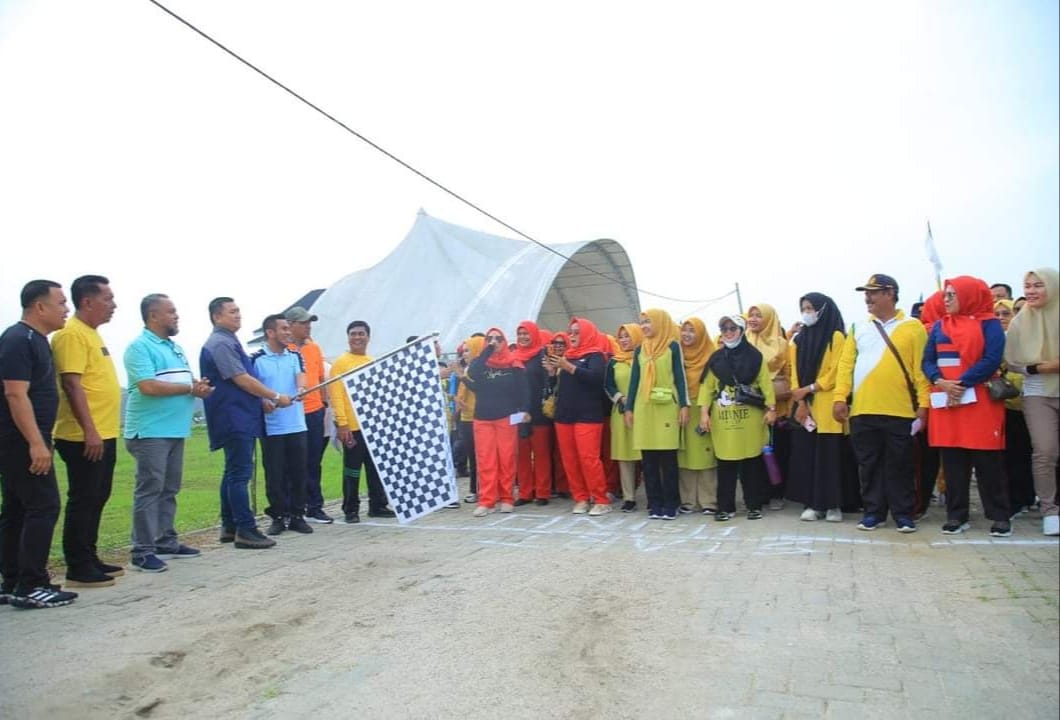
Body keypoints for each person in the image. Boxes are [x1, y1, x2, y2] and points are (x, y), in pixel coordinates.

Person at [0, 280, 78, 609]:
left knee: (18, 509)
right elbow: (15, 394)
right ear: (40, 307)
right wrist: (36, 443)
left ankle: (13, 579)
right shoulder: (19, 339)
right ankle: (31, 584)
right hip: (20, 440)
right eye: (61, 303)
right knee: (44, 506)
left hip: (23, 439)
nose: (66, 309)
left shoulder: (36, 341)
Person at [834, 274, 930, 533]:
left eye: (873, 293)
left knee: (900, 464)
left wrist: (924, 404)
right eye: (866, 293)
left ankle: (903, 514)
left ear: (890, 293)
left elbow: (920, 369)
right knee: (869, 465)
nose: (868, 298)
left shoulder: (913, 327)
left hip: (899, 410)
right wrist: (840, 397)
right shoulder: (858, 327)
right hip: (863, 409)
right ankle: (873, 513)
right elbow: (845, 366)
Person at [124, 294, 213, 573]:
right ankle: (142, 550)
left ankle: (165, 540)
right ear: (153, 316)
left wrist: (196, 386)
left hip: (175, 429)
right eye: (171, 312)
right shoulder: (139, 347)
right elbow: (148, 386)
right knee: (150, 488)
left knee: (169, 488)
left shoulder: (174, 348)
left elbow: (181, 381)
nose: (176, 316)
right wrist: (189, 389)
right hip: (150, 430)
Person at [200, 297, 292, 550]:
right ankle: (245, 528)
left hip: (240, 413)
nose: (238, 315)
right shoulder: (220, 343)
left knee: (232, 471)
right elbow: (240, 378)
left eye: (238, 310)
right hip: (233, 416)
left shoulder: (229, 341)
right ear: (216, 317)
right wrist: (272, 395)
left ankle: (230, 525)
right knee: (240, 473)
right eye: (232, 312)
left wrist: (259, 400)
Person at [49, 275, 123, 589]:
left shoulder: (92, 334)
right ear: (88, 301)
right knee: (84, 497)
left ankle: (90, 556)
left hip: (105, 431)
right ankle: (78, 565)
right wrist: (89, 430)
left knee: (99, 495)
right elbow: (72, 384)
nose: (114, 305)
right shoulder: (71, 334)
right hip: (82, 435)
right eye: (108, 299)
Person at [923, 277, 1010, 536]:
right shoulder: (939, 325)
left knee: (988, 462)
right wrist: (940, 381)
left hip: (979, 401)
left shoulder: (989, 323)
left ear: (969, 295)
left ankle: (999, 516)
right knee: (952, 462)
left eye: (952, 295)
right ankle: (956, 515)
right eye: (945, 295)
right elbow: (928, 360)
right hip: (947, 400)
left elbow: (992, 358)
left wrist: (961, 383)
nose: (946, 300)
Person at [698, 314, 776, 521]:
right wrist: (704, 413)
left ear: (742, 331)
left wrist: (772, 409)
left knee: (752, 463)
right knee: (726, 464)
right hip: (724, 420)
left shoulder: (754, 356)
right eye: (724, 329)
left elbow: (765, 383)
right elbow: (706, 388)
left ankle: (754, 506)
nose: (729, 333)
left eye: (733, 328)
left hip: (750, 418)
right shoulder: (716, 358)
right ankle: (725, 507)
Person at [1004, 268, 1060, 536]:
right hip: (1037, 392)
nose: (1031, 291)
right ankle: (1049, 510)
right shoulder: (1019, 322)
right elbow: (1012, 362)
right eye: (1027, 286)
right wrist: (1041, 368)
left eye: (1039, 285)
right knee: (1045, 451)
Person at [787, 293, 851, 522]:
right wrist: (801, 400)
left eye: (811, 307)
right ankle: (812, 504)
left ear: (824, 309)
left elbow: (837, 371)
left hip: (828, 405)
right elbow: (793, 373)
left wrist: (811, 388)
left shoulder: (836, 336)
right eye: (803, 308)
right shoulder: (799, 340)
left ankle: (833, 505)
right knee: (808, 456)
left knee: (830, 458)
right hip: (806, 407)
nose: (807, 312)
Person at [624, 308, 690, 520]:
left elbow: (680, 377)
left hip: (667, 407)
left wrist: (684, 405)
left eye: (648, 322)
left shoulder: (672, 346)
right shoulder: (640, 350)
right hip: (645, 408)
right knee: (649, 460)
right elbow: (634, 381)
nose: (644, 326)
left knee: (668, 460)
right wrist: (629, 408)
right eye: (642, 322)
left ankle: (671, 503)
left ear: (660, 323)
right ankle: (655, 503)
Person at [251, 314, 313, 536]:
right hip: (272, 427)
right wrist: (262, 401)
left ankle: (298, 515)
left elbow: (301, 377)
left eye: (289, 328)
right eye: (284, 328)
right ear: (270, 332)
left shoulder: (294, 356)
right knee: (275, 475)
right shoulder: (257, 359)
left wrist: (302, 389)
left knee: (299, 473)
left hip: (296, 424)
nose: (288, 332)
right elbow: (252, 388)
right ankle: (278, 516)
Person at [328, 320, 395, 523]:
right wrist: (342, 423)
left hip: (372, 426)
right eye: (353, 334)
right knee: (352, 469)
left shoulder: (371, 361)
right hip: (352, 427)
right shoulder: (341, 363)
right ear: (348, 337)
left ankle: (377, 505)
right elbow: (336, 395)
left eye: (361, 334)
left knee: (375, 468)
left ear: (368, 337)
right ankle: (350, 508)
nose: (357, 337)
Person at [546, 317, 610, 515]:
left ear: (587, 333)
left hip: (588, 414)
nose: (571, 336)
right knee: (570, 459)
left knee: (588, 458)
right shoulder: (567, 355)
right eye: (570, 332)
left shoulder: (595, 355)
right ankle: (580, 497)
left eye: (576, 332)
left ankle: (600, 499)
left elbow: (596, 379)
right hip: (565, 414)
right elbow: (559, 387)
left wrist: (569, 367)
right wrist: (552, 373)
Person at [467, 328, 529, 517]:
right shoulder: (481, 363)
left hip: (506, 417)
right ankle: (487, 500)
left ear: (505, 341)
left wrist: (526, 409)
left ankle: (507, 498)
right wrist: (487, 351)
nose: (495, 341)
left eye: (499, 339)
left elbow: (524, 389)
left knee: (507, 458)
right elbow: (474, 374)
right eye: (490, 338)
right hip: (483, 418)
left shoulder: (514, 364)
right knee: (486, 460)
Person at [285, 306, 332, 524]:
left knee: (314, 461)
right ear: (291, 325)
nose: (308, 326)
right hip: (293, 413)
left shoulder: (314, 348)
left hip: (315, 411)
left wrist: (323, 405)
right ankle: (293, 506)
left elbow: (321, 378)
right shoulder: (285, 349)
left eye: (309, 322)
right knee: (293, 462)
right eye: (303, 323)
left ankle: (314, 506)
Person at [746, 303, 791, 511]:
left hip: (776, 404)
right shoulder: (743, 340)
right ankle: (758, 493)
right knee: (753, 451)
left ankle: (777, 493)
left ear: (769, 318)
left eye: (758, 315)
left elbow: (789, 372)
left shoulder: (782, 343)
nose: (753, 319)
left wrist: (789, 404)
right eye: (751, 315)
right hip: (750, 403)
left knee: (773, 450)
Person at [994, 298, 1035, 514]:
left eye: (1007, 313)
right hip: (1007, 404)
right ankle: (1017, 498)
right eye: (998, 314)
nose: (1001, 318)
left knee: (1032, 453)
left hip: (1033, 401)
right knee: (1013, 454)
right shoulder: (996, 339)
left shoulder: (1030, 337)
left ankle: (1027, 496)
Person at [676, 317, 718, 515]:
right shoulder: (677, 355)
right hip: (683, 407)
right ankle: (688, 501)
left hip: (705, 408)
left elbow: (714, 384)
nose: (687, 334)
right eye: (684, 330)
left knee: (706, 454)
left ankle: (709, 500)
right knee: (685, 454)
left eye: (692, 330)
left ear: (701, 333)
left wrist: (706, 409)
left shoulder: (712, 355)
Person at [512, 321, 553, 506]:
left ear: (534, 334)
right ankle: (525, 492)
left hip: (538, 410)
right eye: (520, 333)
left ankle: (543, 492)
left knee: (541, 453)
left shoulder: (542, 354)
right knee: (522, 453)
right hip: (518, 411)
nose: (522, 337)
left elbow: (548, 381)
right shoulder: (513, 357)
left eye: (526, 333)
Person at [605, 323, 643, 512]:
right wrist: (621, 398)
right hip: (620, 412)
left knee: (647, 454)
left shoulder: (643, 358)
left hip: (643, 412)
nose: (624, 340)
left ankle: (653, 494)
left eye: (628, 336)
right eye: (621, 337)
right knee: (624, 457)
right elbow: (608, 385)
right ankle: (629, 497)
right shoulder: (614, 361)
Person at [455, 336, 484, 503]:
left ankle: (479, 489)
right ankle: (475, 489)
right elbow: (461, 394)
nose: (464, 353)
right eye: (463, 350)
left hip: (477, 418)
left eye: (467, 350)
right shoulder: (468, 368)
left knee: (480, 457)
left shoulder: (477, 370)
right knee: (472, 456)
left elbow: (479, 392)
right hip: (466, 419)